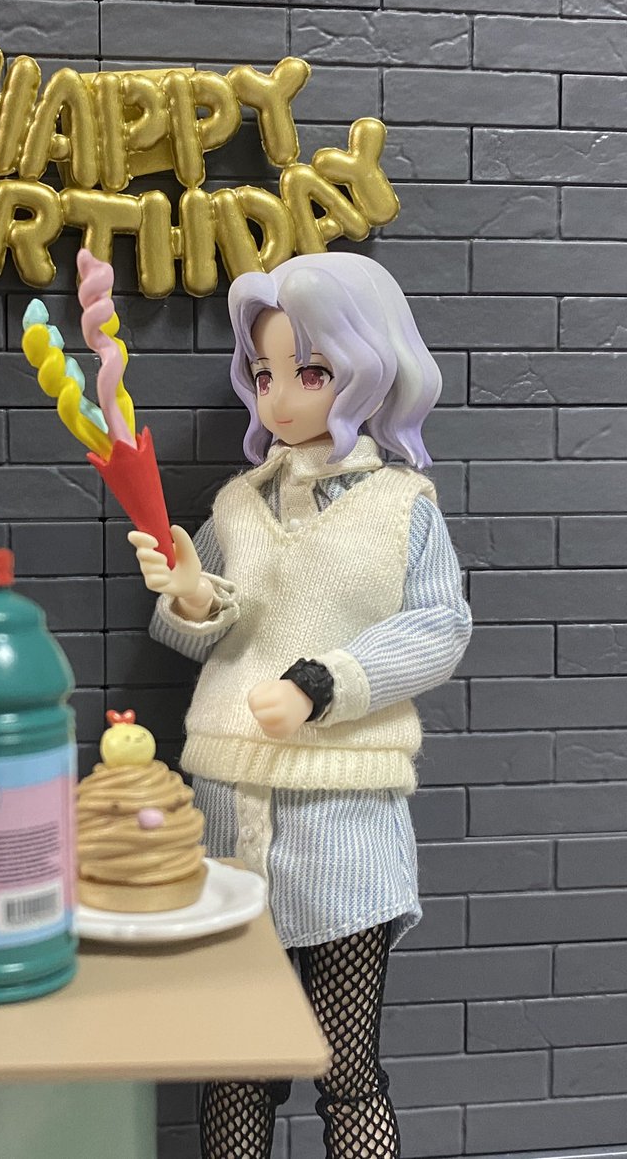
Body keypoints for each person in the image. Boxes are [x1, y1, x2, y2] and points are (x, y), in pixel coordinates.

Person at [130, 253, 471, 1159]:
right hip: (227, 808)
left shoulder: (403, 507)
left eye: (310, 373)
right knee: (236, 1066)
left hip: (344, 814)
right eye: (265, 374)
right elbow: (196, 635)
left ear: (368, 370)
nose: (280, 397)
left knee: (346, 1068)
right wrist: (193, 597)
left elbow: (439, 628)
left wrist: (322, 685)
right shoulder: (237, 505)